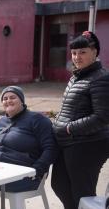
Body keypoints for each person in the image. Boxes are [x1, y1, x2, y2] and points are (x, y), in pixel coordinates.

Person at [51, 31, 109, 209]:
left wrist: (69, 128)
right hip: (69, 142)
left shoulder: (101, 78)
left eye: (83, 52)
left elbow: (103, 117)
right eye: (74, 53)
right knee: (59, 184)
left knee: (82, 193)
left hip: (88, 144)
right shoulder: (78, 76)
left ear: (95, 52)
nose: (77, 57)